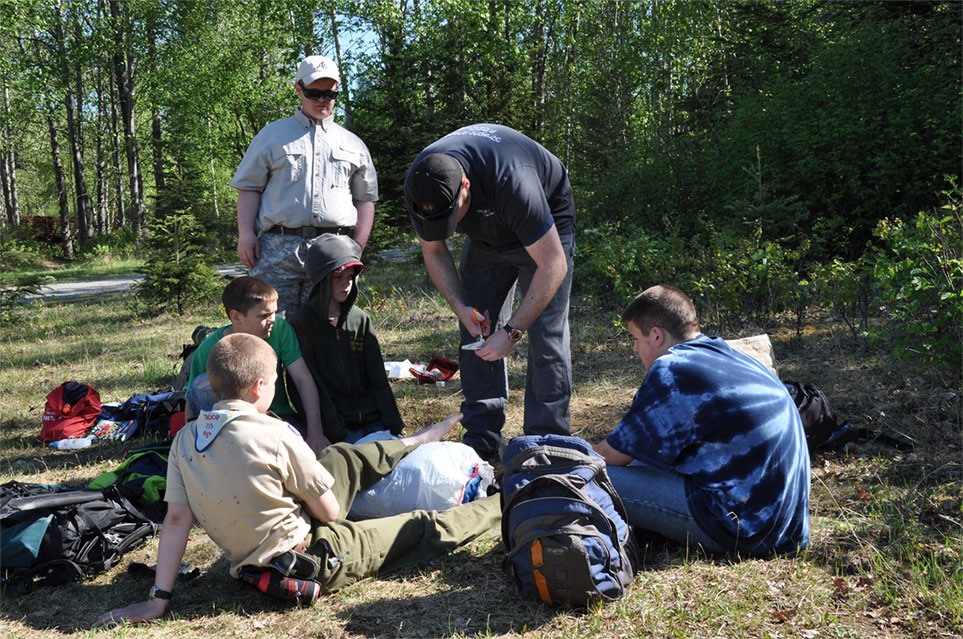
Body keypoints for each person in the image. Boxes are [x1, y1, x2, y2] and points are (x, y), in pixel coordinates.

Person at [94, 333, 500, 627]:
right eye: (274, 380)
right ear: (259, 387)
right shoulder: (274, 434)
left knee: (341, 456)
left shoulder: (184, 440)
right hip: (309, 559)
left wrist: (158, 599)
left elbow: (178, 519)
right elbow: (331, 511)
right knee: (423, 528)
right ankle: (507, 501)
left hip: (270, 545)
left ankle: (414, 441)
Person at [594, 285, 811, 556]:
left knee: (587, 479)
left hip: (744, 530)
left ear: (657, 335)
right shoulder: (729, 355)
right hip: (786, 527)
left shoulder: (672, 370)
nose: (635, 349)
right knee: (637, 462)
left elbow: (611, 456)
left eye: (635, 338)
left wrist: (561, 462)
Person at [403, 123, 576, 460]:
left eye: (453, 215)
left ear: (465, 185)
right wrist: (460, 306)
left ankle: (547, 442)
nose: (448, 226)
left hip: (545, 229)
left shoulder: (512, 181)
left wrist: (512, 331)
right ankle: (481, 435)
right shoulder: (421, 184)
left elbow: (553, 264)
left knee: (547, 334)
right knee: (475, 330)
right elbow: (434, 252)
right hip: (485, 239)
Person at [231, 55, 378, 315]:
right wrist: (246, 234)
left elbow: (365, 198)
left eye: (329, 94)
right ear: (299, 89)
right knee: (269, 323)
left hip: (333, 247)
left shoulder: (352, 143)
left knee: (325, 324)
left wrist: (357, 246)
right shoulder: (272, 136)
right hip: (277, 248)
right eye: (314, 92)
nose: (322, 99)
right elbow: (249, 187)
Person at [186, 276, 327, 455]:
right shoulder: (209, 350)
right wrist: (192, 446)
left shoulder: (280, 330)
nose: (273, 320)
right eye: (264, 315)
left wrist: (315, 432)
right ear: (236, 316)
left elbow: (302, 379)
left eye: (274, 312)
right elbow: (192, 402)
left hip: (278, 416)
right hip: (229, 426)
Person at [287, 234, 404, 444]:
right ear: (321, 279)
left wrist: (393, 424)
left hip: (373, 423)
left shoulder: (361, 320)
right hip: (332, 429)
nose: (346, 284)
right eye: (338, 278)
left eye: (350, 277)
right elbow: (304, 387)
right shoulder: (301, 325)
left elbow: (378, 379)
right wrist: (332, 432)